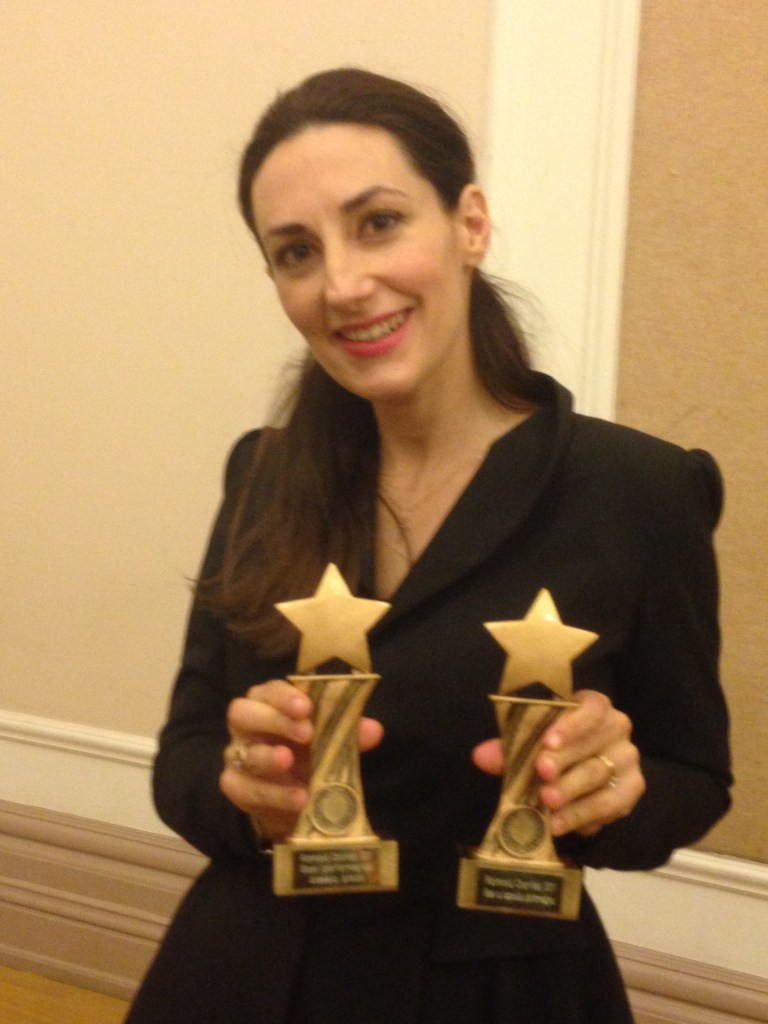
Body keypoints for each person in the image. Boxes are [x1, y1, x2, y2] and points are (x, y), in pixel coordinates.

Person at [125, 68, 731, 1024]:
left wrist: (614, 790)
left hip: (499, 987)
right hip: (252, 975)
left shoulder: (642, 492)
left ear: (469, 224)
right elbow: (185, 756)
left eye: (378, 223)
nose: (342, 285)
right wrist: (242, 791)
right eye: (296, 252)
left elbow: (694, 780)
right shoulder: (264, 473)